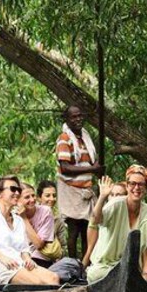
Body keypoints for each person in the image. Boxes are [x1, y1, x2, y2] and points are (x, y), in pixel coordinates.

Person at [84, 165, 147, 283]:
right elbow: (95, 220)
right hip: (106, 267)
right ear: (127, 186)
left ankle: (146, 271)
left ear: (145, 188)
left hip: (133, 269)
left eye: (141, 184)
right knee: (97, 275)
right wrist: (102, 196)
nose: (136, 188)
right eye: (133, 183)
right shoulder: (115, 204)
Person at [0, 176, 60, 285]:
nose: (17, 192)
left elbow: (24, 248)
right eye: (12, 189)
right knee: (36, 283)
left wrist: (27, 258)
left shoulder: (18, 220)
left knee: (53, 278)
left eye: (18, 190)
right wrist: (3, 257)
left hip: (18, 262)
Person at [55, 106, 104, 259]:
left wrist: (95, 170)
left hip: (85, 189)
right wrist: (91, 168)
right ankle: (72, 263)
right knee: (74, 230)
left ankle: (84, 264)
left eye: (80, 115)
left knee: (86, 229)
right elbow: (65, 167)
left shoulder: (85, 137)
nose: (78, 119)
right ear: (67, 119)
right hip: (71, 189)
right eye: (73, 117)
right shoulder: (64, 138)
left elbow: (91, 163)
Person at [81, 181, 127, 266]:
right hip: (102, 264)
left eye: (118, 195)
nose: (114, 198)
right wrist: (102, 196)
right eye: (111, 195)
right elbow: (94, 220)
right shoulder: (103, 215)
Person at [18, 183, 57, 268]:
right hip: (21, 258)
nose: (32, 200)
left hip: (40, 258)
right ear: (18, 200)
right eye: (27, 197)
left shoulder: (45, 211)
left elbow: (38, 244)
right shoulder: (13, 215)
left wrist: (24, 218)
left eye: (33, 195)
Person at [36, 179, 66, 249]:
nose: (52, 199)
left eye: (54, 195)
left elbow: (62, 245)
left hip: (51, 256)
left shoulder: (58, 220)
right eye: (47, 195)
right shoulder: (31, 214)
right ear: (39, 198)